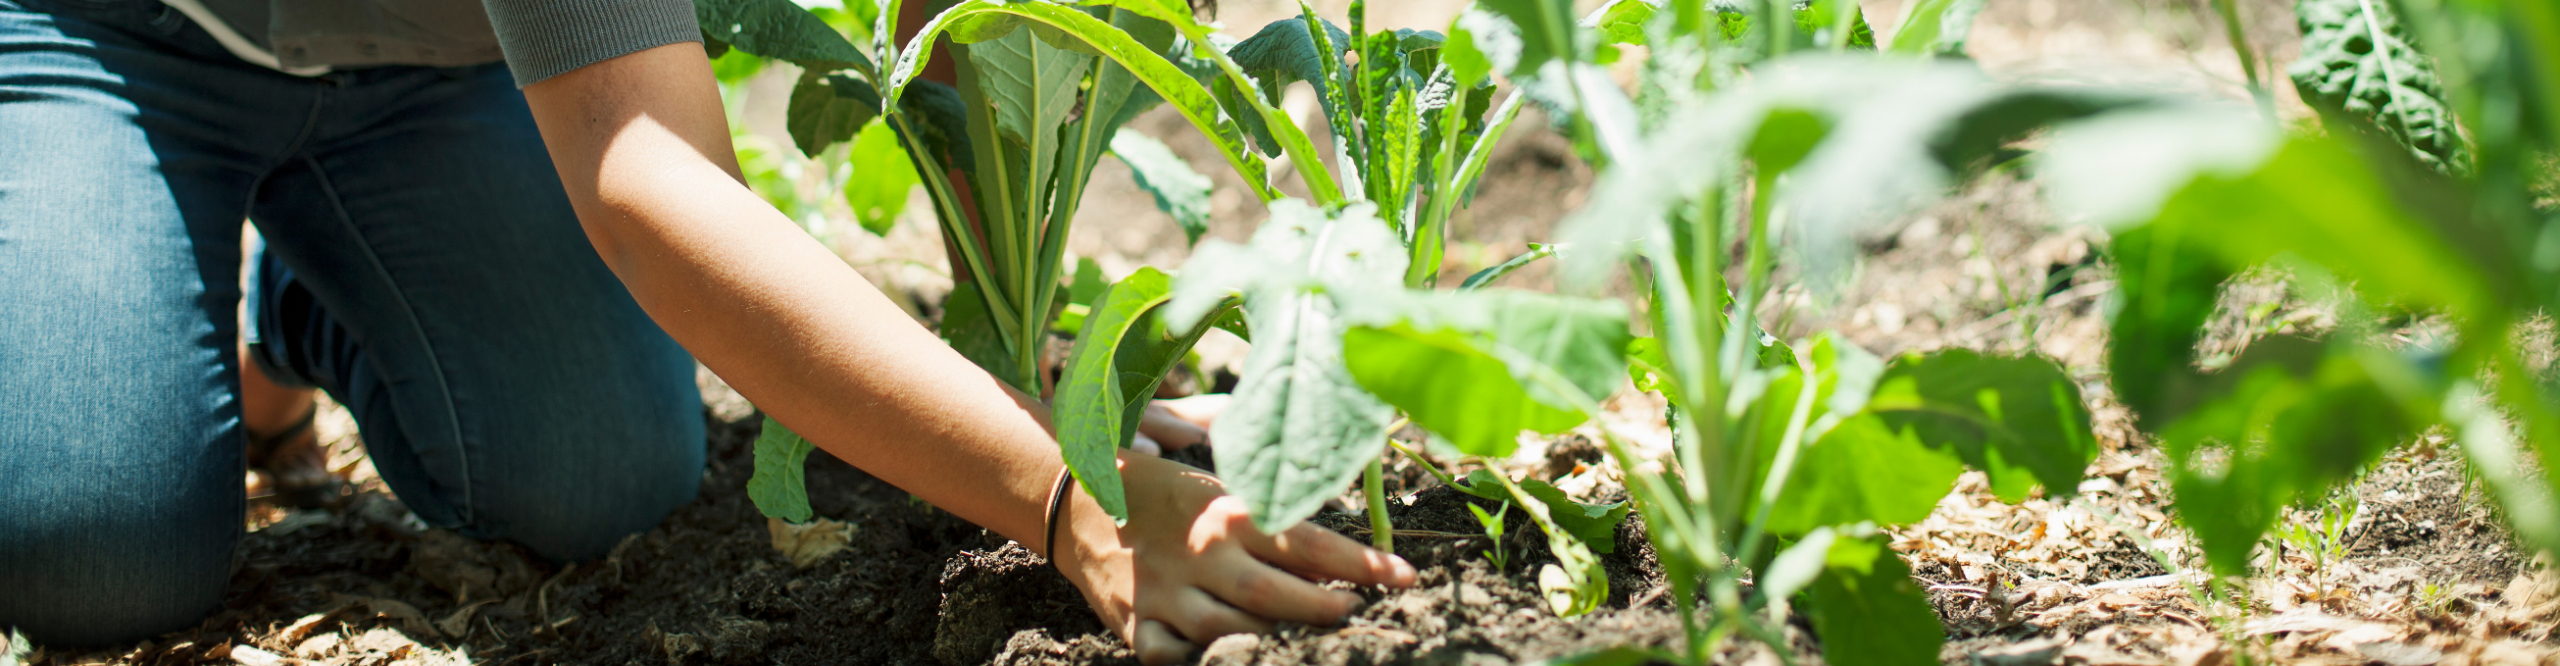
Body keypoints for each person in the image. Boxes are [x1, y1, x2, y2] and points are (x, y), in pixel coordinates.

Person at [0, 0, 1416, 662]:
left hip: (446, 67)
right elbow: (648, 184)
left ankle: (305, 308)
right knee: (93, 548)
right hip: (109, 33)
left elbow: (962, 20)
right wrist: (1071, 498)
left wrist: (1015, 338)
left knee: (597, 475)